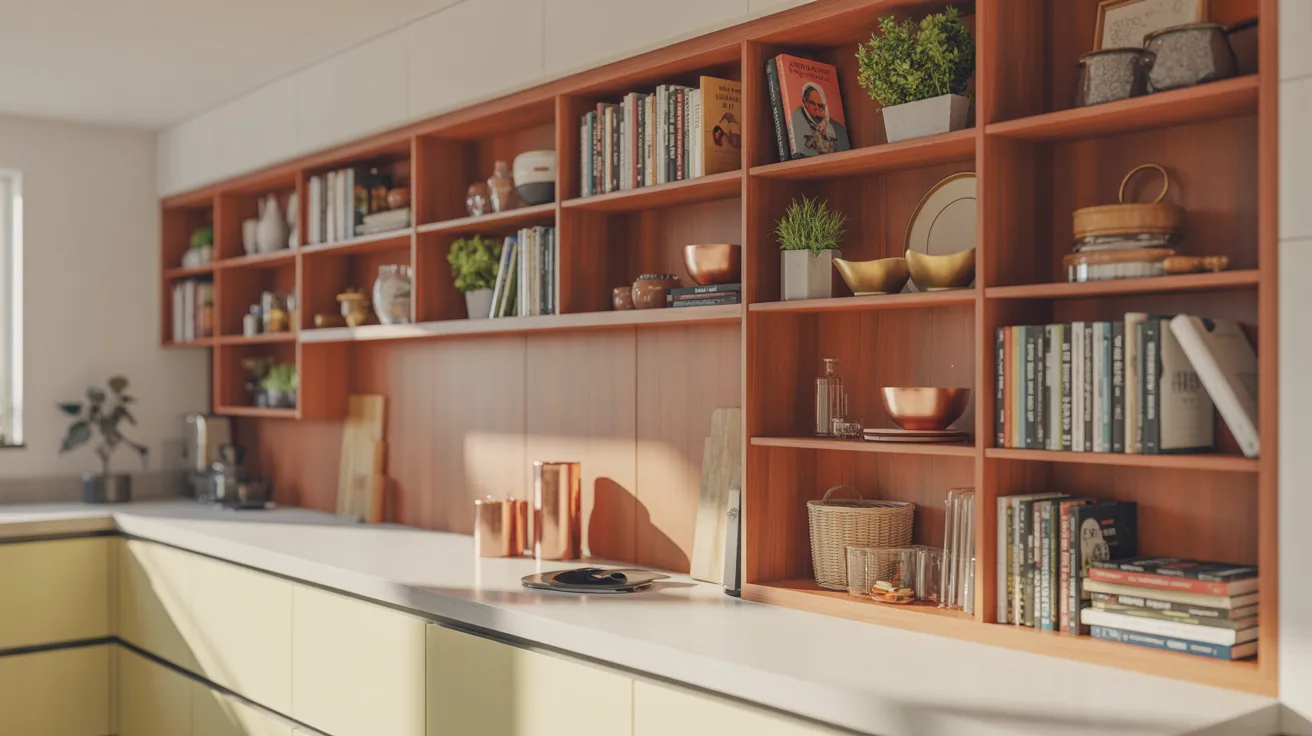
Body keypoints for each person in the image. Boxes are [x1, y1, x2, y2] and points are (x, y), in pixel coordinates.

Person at [789, 82, 849, 157]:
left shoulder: (831, 124)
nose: (817, 107)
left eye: (820, 105)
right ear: (805, 102)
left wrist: (825, 123)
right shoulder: (797, 121)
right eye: (812, 103)